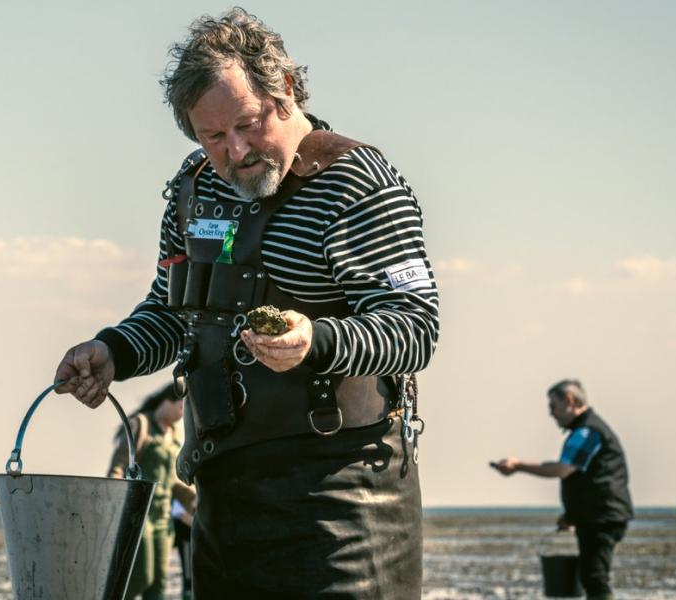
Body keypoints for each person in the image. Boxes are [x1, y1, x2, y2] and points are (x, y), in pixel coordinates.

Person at [54, 8, 439, 598]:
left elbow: (414, 327)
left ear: (284, 89)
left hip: (344, 503)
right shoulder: (196, 189)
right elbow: (172, 313)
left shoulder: (357, 182)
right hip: (224, 499)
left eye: (247, 124)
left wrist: (316, 341)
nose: (235, 151)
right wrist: (114, 352)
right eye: (212, 137)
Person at [491, 379, 633, 600]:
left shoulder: (587, 431)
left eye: (553, 406)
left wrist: (518, 466)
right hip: (599, 514)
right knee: (591, 575)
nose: (551, 413)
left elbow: (562, 469)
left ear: (569, 400)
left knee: (595, 577)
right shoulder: (585, 429)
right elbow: (584, 479)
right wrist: (572, 516)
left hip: (602, 516)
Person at [108, 384, 197, 600]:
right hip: (140, 518)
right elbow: (118, 467)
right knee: (142, 577)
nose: (182, 414)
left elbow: (171, 480)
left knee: (158, 584)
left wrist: (194, 499)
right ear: (167, 401)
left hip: (164, 521)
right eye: (181, 407)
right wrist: (113, 497)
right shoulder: (141, 425)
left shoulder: (173, 436)